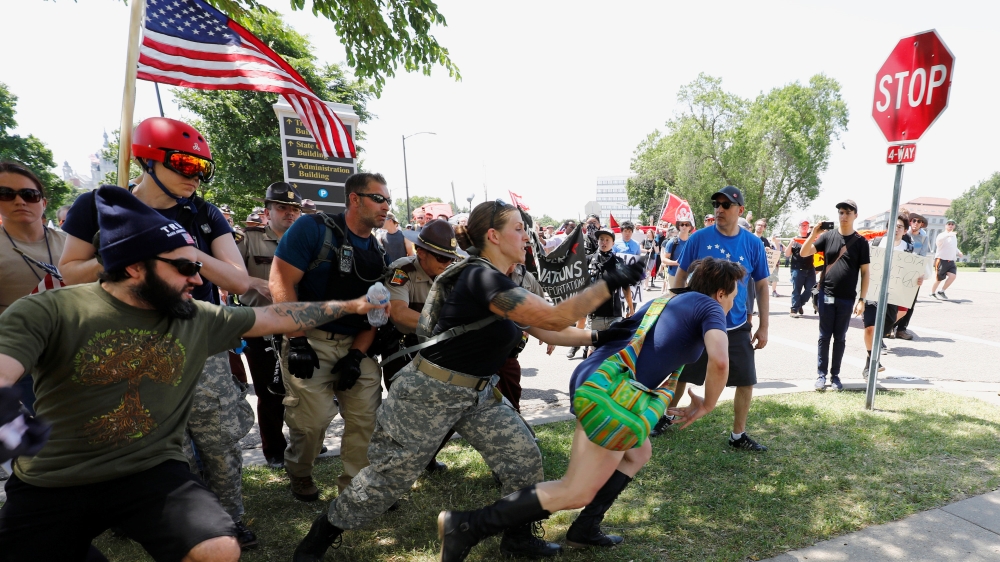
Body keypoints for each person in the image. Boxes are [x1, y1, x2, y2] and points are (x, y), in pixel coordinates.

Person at [0, 185, 386, 562]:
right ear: (134, 266)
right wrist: (8, 419)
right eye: (186, 267)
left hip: (150, 472)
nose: (198, 280)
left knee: (218, 549)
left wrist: (353, 306)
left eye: (198, 267)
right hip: (53, 480)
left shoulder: (193, 316)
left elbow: (274, 316)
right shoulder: (50, 311)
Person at [291, 200, 644, 562]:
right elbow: (553, 317)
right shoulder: (480, 278)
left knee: (523, 459)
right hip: (430, 394)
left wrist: (601, 336)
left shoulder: (499, 279)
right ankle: (317, 540)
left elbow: (546, 329)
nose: (526, 236)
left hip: (478, 393)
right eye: (518, 229)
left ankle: (519, 538)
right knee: (386, 480)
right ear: (494, 236)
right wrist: (609, 283)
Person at [436, 257, 741, 560]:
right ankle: (467, 525)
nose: (733, 302)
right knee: (576, 490)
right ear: (720, 293)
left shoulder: (670, 300)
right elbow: (720, 360)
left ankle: (585, 528)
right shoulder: (710, 307)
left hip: (600, 378)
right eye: (733, 295)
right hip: (608, 393)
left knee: (638, 452)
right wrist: (708, 403)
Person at [57, 118, 258, 546]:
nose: (195, 177)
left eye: (203, 168)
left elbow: (238, 281)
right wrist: (117, 252)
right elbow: (70, 272)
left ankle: (230, 518)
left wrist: (180, 249)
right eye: (185, 164)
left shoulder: (203, 214)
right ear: (148, 160)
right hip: (127, 344)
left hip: (197, 341)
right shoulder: (98, 206)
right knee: (159, 443)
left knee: (220, 439)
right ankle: (178, 522)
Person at [269, 172, 391, 501]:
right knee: (312, 421)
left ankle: (356, 490)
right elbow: (280, 281)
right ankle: (299, 472)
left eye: (388, 201)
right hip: (309, 338)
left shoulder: (379, 251)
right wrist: (296, 340)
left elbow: (376, 310)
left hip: (355, 345)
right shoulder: (313, 228)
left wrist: (357, 355)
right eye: (378, 199)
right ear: (354, 199)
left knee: (366, 418)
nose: (386, 207)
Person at [666, 186, 770, 451]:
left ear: (740, 210)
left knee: (746, 380)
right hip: (697, 324)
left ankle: (738, 435)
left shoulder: (753, 244)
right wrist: (677, 309)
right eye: (716, 204)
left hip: (736, 325)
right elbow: (681, 275)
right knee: (680, 374)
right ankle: (664, 418)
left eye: (726, 205)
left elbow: (761, 286)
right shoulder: (699, 238)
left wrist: (764, 326)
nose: (719, 209)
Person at [382, 219, 460, 472]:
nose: (447, 263)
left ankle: (426, 458)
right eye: (441, 257)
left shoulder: (454, 271)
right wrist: (445, 328)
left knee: (450, 410)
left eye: (450, 258)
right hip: (404, 351)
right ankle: (395, 469)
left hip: (439, 352)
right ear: (421, 252)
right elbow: (398, 313)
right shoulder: (402, 270)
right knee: (405, 416)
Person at [235, 181, 303, 468]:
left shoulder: (305, 242)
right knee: (269, 390)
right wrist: (255, 283)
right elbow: (228, 275)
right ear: (267, 211)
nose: (289, 213)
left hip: (297, 325)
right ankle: (274, 449)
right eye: (282, 207)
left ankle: (303, 442)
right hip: (260, 324)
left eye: (294, 209)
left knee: (301, 387)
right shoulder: (248, 239)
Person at [0, 161, 68, 416]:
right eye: (6, 194)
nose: (20, 201)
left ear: (43, 202)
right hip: (26, 364)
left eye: (29, 194)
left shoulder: (72, 244)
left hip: (77, 351)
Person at [800, 200, 870, 391]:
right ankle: (821, 375)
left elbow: (865, 272)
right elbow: (805, 252)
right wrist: (814, 233)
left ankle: (835, 375)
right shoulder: (827, 236)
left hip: (847, 297)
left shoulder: (861, 242)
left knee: (840, 337)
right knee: (824, 336)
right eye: (841, 212)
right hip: (826, 294)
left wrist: (862, 300)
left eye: (848, 212)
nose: (843, 216)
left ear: (855, 215)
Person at [861, 215, 912, 376]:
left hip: (893, 294)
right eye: (893, 226)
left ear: (905, 231)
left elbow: (914, 273)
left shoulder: (908, 249)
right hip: (872, 290)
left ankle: (871, 360)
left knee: (885, 326)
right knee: (870, 326)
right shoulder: (875, 244)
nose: (896, 229)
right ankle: (870, 363)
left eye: (900, 227)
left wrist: (917, 277)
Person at [584, 227, 635, 358]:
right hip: (595, 316)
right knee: (594, 352)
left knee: (613, 351)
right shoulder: (588, 260)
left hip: (614, 315)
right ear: (597, 241)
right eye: (601, 239)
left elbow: (626, 287)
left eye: (607, 240)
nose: (604, 242)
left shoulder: (619, 262)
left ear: (613, 243)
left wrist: (631, 308)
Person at [893, 214, 930, 340]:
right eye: (914, 220)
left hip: (914, 271)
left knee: (910, 302)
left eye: (919, 221)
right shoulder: (904, 233)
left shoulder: (924, 238)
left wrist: (920, 273)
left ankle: (901, 329)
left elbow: (923, 256)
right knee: (896, 300)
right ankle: (891, 326)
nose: (916, 223)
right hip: (900, 270)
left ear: (922, 224)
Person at [785, 220, 816, 317]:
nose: (804, 227)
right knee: (796, 290)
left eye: (806, 225)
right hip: (797, 269)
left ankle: (799, 304)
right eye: (802, 225)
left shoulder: (811, 239)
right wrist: (791, 243)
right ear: (799, 227)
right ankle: (794, 310)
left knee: (811, 289)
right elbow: (787, 254)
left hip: (810, 268)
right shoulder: (795, 240)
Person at [931, 219, 962, 300]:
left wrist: (958, 252)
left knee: (953, 276)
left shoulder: (953, 236)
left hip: (951, 260)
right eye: (949, 224)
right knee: (939, 279)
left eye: (952, 224)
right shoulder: (942, 235)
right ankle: (932, 293)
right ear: (945, 226)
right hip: (941, 260)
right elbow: (938, 242)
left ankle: (942, 291)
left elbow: (953, 247)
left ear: (954, 226)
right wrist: (947, 235)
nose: (950, 225)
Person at [661, 214, 692, 293]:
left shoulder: (692, 242)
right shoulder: (672, 242)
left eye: (687, 224)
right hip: (673, 275)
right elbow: (664, 259)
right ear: (679, 227)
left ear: (690, 227)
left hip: (689, 276)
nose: (684, 226)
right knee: (674, 297)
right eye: (682, 224)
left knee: (687, 298)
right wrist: (676, 263)